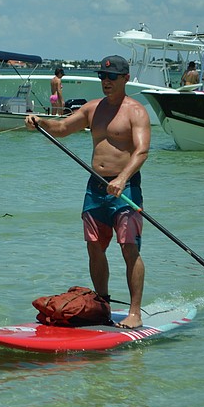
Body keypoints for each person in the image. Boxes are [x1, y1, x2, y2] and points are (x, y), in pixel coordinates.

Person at [26, 55, 151, 329]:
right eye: (102, 77)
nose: (106, 82)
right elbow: (61, 128)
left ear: (125, 79)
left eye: (112, 77)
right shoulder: (93, 108)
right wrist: (41, 123)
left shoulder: (136, 111)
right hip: (95, 188)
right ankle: (102, 307)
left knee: (129, 248)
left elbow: (141, 151)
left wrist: (122, 178)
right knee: (95, 248)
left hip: (125, 188)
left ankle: (135, 312)